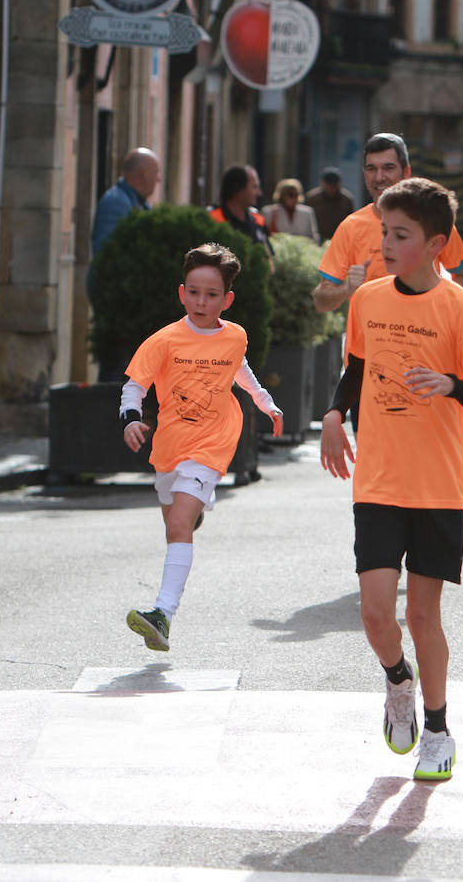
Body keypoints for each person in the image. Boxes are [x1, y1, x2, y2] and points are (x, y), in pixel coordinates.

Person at [319, 176, 463, 782]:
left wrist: (450, 384)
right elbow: (356, 368)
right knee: (377, 615)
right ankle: (398, 680)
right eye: (384, 232)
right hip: (377, 478)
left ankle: (439, 728)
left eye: (400, 235)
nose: (387, 244)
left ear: (436, 244)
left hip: (437, 485)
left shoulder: (458, 308)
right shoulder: (368, 299)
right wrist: (332, 415)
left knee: (424, 617)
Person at [119, 243, 284, 652]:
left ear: (227, 300)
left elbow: (240, 371)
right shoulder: (164, 340)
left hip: (213, 443)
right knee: (174, 522)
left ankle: (163, 614)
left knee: (178, 526)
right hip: (170, 445)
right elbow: (135, 385)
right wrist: (130, 417)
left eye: (211, 295)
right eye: (194, 292)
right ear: (181, 293)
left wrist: (266, 403)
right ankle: (190, 513)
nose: (201, 301)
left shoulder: (235, 337)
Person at [311, 133, 463, 314]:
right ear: (364, 174)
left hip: (421, 338)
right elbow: (321, 301)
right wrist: (348, 289)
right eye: (371, 169)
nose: (379, 177)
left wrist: (441, 312)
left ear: (406, 172)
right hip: (368, 341)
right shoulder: (351, 227)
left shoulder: (433, 219)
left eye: (388, 168)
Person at [89, 146, 161, 380]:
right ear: (142, 174)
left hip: (132, 307)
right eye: (155, 172)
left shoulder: (138, 204)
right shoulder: (116, 203)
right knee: (116, 371)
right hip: (118, 307)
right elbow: (107, 257)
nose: (158, 179)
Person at [210, 164, 272, 257]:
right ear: (238, 189)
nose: (259, 193)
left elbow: (268, 259)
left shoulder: (258, 218)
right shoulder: (213, 218)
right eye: (254, 187)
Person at [261, 177, 321, 243]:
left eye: (296, 195)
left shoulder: (307, 212)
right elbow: (264, 236)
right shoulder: (269, 212)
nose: (294, 198)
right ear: (282, 195)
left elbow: (314, 237)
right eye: (290, 195)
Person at [304, 166, 354, 242]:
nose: (331, 188)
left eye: (334, 185)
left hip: (339, 239)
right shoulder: (312, 199)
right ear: (322, 183)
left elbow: (350, 222)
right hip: (318, 240)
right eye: (328, 185)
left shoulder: (346, 199)